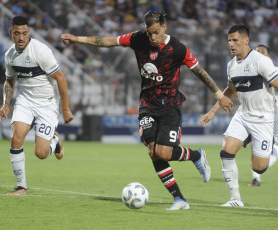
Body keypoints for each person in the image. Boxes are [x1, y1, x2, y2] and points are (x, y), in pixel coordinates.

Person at [61, 10, 233, 210]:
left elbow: (200, 72)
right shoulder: (137, 39)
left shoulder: (178, 49)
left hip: (170, 106)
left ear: (164, 28)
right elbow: (109, 41)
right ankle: (179, 199)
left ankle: (197, 156)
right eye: (149, 32)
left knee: (164, 152)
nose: (152, 37)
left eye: (156, 32)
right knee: (153, 151)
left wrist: (220, 96)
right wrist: (77, 39)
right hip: (148, 105)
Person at [200, 24, 278, 207]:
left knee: (258, 167)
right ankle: (236, 199)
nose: (231, 44)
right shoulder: (232, 65)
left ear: (246, 40)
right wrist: (212, 111)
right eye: (229, 40)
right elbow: (231, 90)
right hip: (243, 115)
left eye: (235, 40)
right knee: (226, 151)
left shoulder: (260, 61)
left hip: (264, 119)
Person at [0, 16, 74, 195]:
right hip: (25, 101)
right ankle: (22, 187)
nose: (21, 37)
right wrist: (6, 104)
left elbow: (60, 78)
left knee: (40, 153)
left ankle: (55, 141)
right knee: (16, 139)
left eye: (24, 33)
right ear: (11, 33)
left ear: (29, 32)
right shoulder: (10, 55)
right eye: (17, 33)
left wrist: (65, 109)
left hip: (46, 104)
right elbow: (9, 81)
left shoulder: (41, 51)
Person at [247, 44, 278, 187]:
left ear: (268, 56)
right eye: (257, 51)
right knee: (255, 145)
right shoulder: (250, 70)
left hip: (271, 113)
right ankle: (256, 179)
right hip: (253, 113)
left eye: (263, 52)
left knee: (273, 146)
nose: (259, 53)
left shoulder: (274, 70)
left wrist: (276, 85)